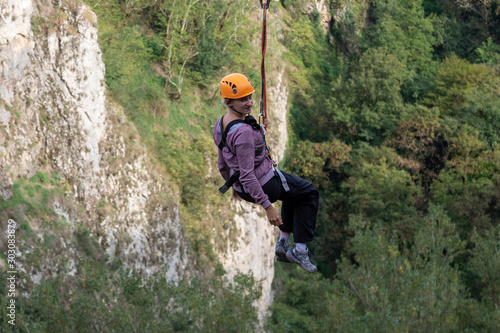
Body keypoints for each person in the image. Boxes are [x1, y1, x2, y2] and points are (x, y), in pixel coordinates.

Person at [213, 73, 319, 273]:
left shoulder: (221, 125)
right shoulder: (243, 133)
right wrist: (268, 206)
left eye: (250, 97)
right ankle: (300, 248)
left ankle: (283, 242)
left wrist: (234, 186)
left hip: (246, 187)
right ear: (228, 101)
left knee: (293, 193)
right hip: (264, 185)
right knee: (308, 192)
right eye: (242, 99)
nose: (249, 103)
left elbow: (222, 162)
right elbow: (246, 174)